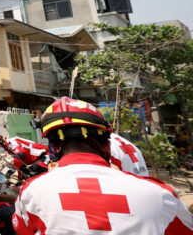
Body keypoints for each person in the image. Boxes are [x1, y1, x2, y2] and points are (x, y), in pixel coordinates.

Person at [13, 97, 193, 234]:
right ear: (108, 144)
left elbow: (23, 229)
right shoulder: (158, 193)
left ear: (53, 147)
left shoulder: (31, 191)